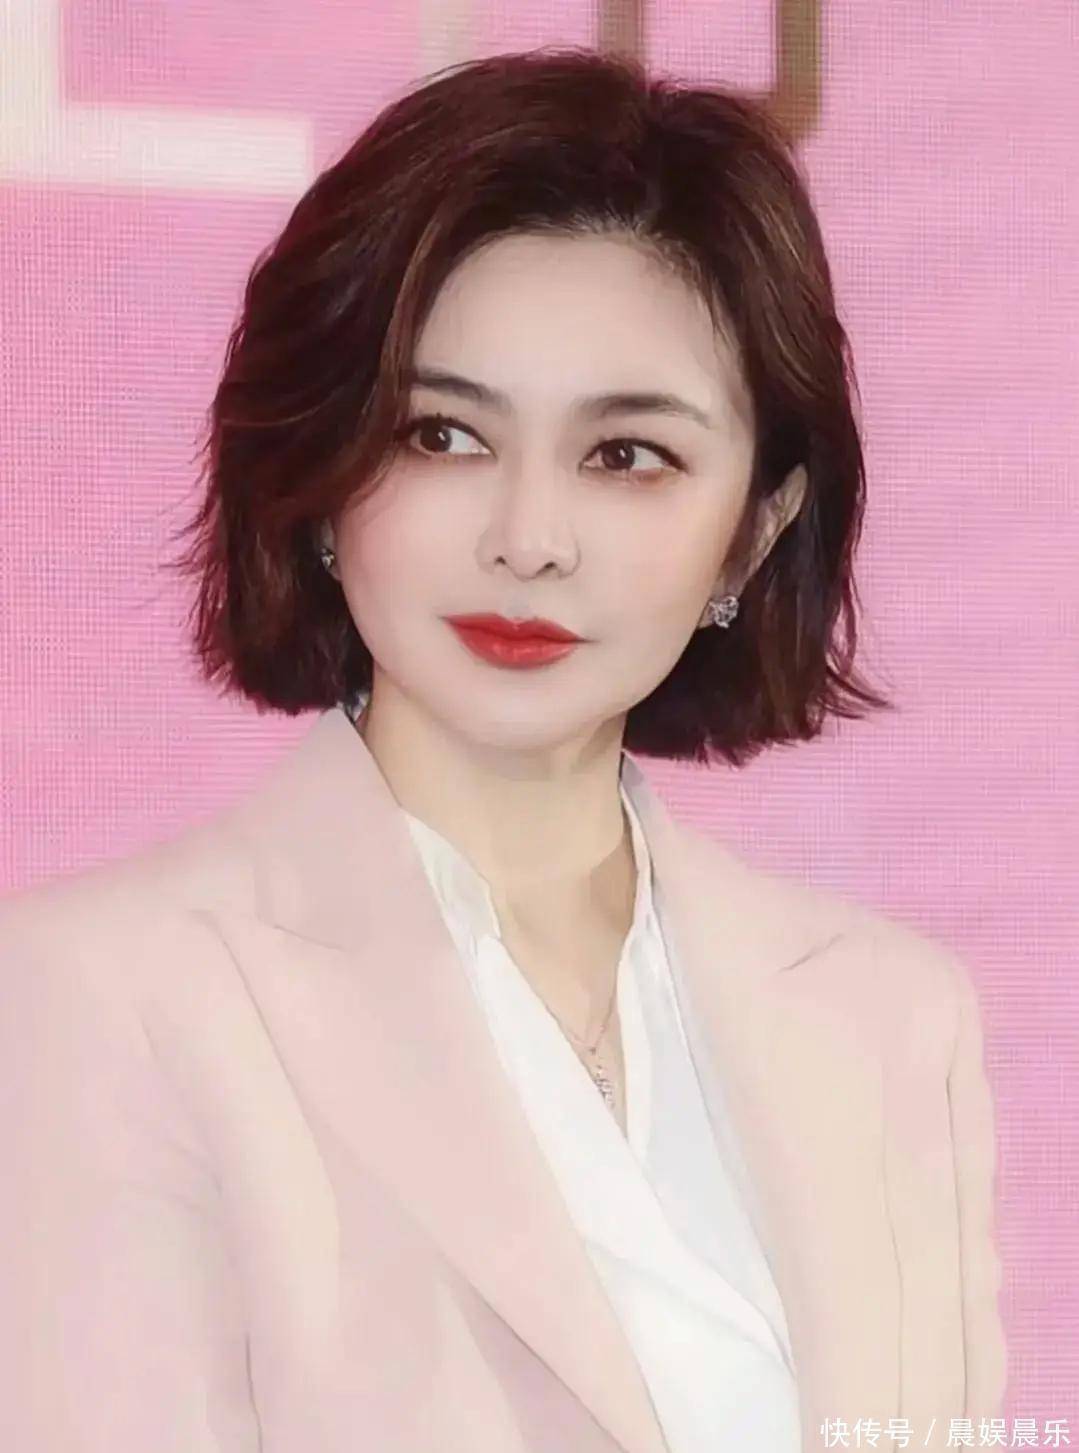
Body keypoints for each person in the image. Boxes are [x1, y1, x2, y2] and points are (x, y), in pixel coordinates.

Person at [0, 46, 1005, 1453]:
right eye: (443, 435)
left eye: (627, 455)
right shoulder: (103, 997)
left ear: (756, 529)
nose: (528, 538)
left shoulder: (893, 1018)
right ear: (320, 480)